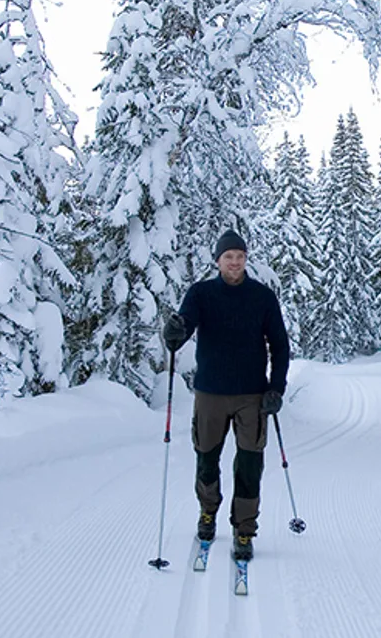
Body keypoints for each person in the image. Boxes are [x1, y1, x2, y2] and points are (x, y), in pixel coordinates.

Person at [163, 229, 290, 562]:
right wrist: (174, 331)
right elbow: (184, 326)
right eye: (228, 256)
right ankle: (208, 512)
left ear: (246, 259)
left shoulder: (262, 297)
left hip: (252, 395)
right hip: (210, 393)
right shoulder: (201, 293)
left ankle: (244, 530)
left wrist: (276, 386)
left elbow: (279, 345)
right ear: (218, 260)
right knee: (206, 458)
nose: (235, 262)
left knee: (249, 465)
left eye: (240, 256)